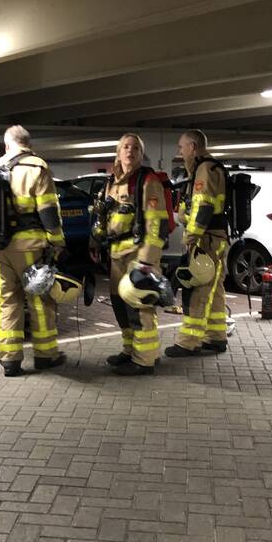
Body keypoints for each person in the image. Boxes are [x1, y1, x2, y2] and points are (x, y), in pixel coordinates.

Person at [0, 125, 66, 377]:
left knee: (8, 302)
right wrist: (57, 241)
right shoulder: (37, 167)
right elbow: (48, 210)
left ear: (7, 145)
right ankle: (45, 356)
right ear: (28, 143)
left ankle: (10, 360)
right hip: (30, 247)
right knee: (40, 300)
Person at [90, 133, 169, 376]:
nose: (130, 151)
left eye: (135, 147)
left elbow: (157, 224)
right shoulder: (111, 182)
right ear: (118, 151)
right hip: (115, 254)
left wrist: (146, 261)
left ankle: (145, 359)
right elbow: (102, 216)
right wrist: (95, 240)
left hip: (138, 254)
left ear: (140, 153)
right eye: (126, 146)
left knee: (139, 307)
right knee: (119, 305)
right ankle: (129, 350)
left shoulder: (147, 181)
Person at [165, 129, 230, 357]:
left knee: (198, 291)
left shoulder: (205, 169)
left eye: (182, 147)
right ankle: (216, 338)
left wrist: (190, 238)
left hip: (207, 240)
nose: (180, 152)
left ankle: (187, 343)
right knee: (214, 290)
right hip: (216, 239)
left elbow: (203, 207)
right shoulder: (207, 168)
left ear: (192, 146)